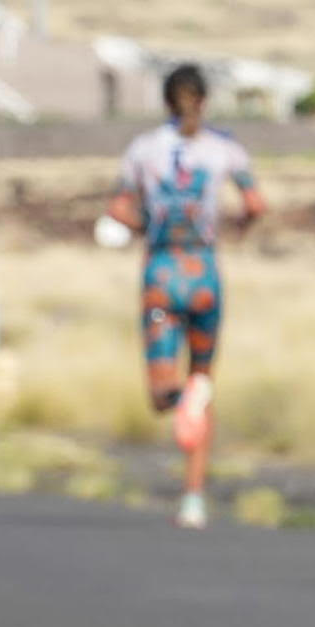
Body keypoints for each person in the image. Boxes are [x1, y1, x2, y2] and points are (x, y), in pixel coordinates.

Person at [101, 62, 265, 527]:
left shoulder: (143, 149)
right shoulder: (225, 148)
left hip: (161, 275)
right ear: (204, 100)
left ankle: (178, 400)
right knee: (202, 383)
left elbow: (117, 208)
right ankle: (193, 500)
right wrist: (238, 229)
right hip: (205, 275)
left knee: (161, 392)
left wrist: (146, 227)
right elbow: (255, 204)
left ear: (165, 100)